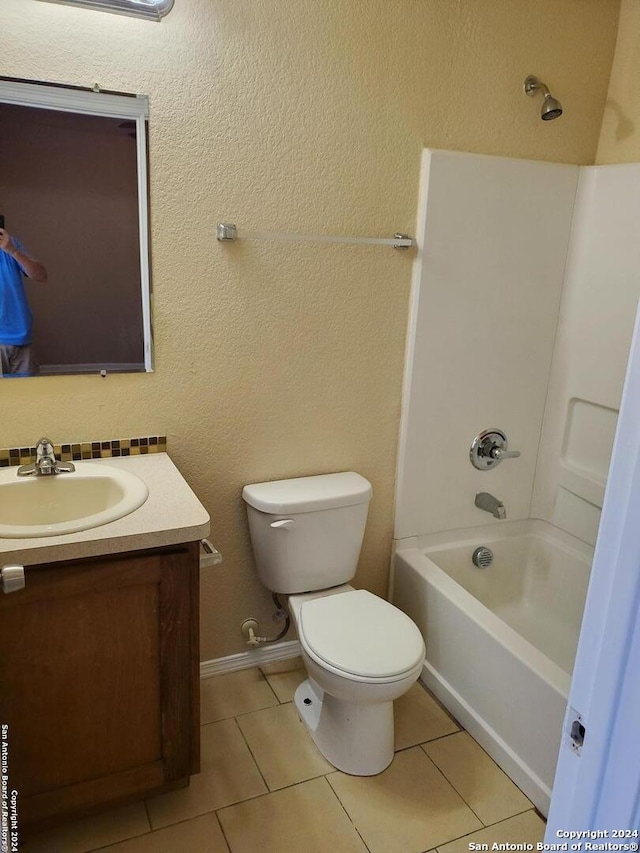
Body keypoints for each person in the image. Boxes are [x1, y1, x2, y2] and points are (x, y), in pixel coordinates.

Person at [0, 224, 47, 376]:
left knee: (28, 396)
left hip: (20, 336)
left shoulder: (11, 244)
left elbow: (41, 275)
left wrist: (13, 251)